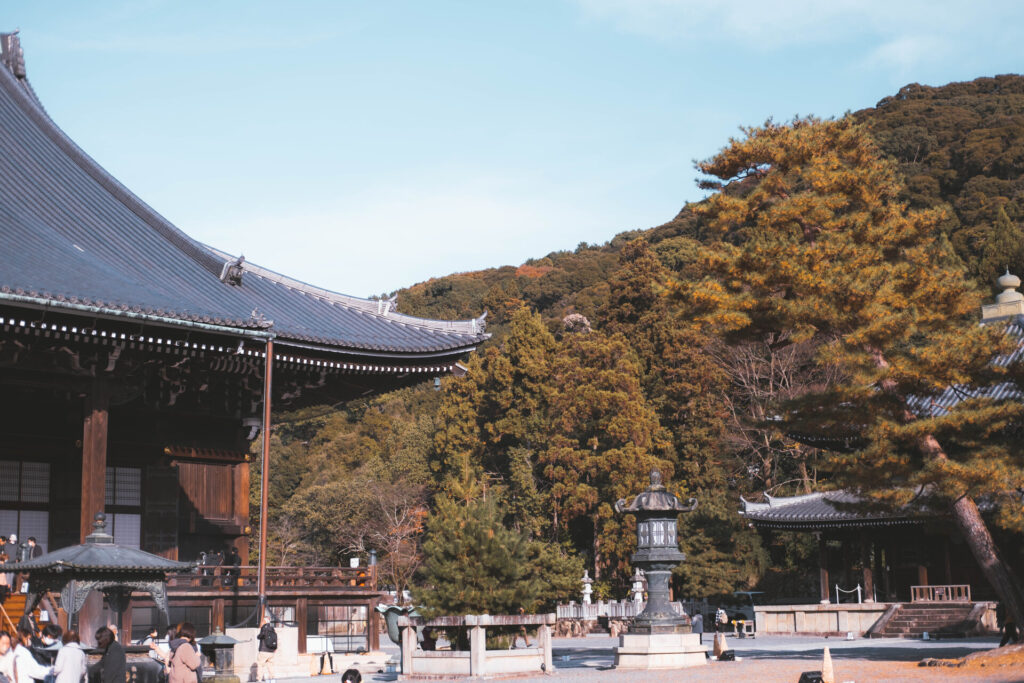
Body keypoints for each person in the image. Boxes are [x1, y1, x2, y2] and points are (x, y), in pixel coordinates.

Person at [256, 616, 277, 682]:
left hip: (264, 650)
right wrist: (275, 648)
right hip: (271, 651)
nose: (261, 622)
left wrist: (258, 636)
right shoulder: (272, 629)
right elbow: (275, 639)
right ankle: (272, 679)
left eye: (262, 621)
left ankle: (259, 679)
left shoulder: (264, 628)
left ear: (264, 621)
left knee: (260, 665)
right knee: (270, 665)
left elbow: (261, 636)